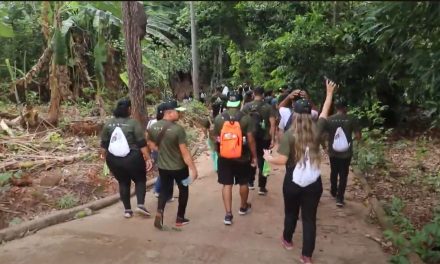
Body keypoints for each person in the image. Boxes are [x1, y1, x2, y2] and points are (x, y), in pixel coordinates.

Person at [263, 79, 337, 264]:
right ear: (310, 114)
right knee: (309, 220)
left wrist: (268, 157)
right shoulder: (317, 130)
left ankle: (287, 240)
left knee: (291, 214)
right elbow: (325, 112)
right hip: (314, 183)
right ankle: (307, 255)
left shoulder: (289, 134)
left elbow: (282, 160)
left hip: (293, 182)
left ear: (294, 113)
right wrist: (329, 93)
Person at [147, 100, 199, 229]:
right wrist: (193, 169)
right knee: (184, 189)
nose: (180, 113)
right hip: (180, 168)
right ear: (169, 113)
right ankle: (180, 218)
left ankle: (160, 211)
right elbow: (185, 153)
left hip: (163, 167)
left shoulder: (153, 127)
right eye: (177, 111)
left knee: (165, 190)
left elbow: (151, 144)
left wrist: (163, 151)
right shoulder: (178, 129)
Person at [100, 98, 153, 218]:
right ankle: (140, 205)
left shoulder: (109, 123)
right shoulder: (133, 123)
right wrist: (148, 158)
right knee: (140, 180)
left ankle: (127, 211)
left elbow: (104, 145)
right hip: (133, 158)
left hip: (114, 160)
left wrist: (104, 159)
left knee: (123, 182)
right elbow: (141, 143)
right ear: (128, 109)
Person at [213, 91, 257, 225]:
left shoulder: (219, 118)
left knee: (227, 184)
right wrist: (254, 156)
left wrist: (218, 152)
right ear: (240, 103)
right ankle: (243, 207)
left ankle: (228, 214)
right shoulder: (246, 118)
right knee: (243, 182)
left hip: (224, 156)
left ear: (228, 103)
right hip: (242, 156)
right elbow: (250, 139)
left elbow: (216, 138)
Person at [324, 97, 361, 207]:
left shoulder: (329, 119)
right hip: (346, 153)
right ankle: (340, 198)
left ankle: (333, 190)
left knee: (334, 171)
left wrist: (326, 146)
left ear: (335, 107)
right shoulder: (352, 119)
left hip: (333, 151)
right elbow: (358, 136)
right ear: (346, 107)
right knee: (344, 174)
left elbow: (325, 136)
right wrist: (351, 140)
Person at [242, 87, 276, 194]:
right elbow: (273, 124)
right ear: (263, 95)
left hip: (250, 138)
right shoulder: (268, 107)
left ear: (253, 94)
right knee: (264, 161)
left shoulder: (247, 106)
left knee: (251, 158)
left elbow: (242, 123)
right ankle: (262, 187)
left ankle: (250, 182)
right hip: (265, 138)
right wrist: (273, 139)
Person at [148, 106, 174, 203]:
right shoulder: (167, 124)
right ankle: (159, 190)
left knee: (164, 171)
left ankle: (165, 193)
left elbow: (148, 136)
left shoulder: (151, 122)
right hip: (165, 150)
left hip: (155, 150)